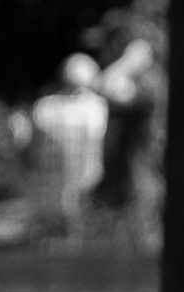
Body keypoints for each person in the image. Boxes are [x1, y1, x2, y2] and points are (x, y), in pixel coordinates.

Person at [95, 36, 166, 249]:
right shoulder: (149, 82)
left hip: (142, 178)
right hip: (137, 175)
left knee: (142, 243)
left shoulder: (150, 84)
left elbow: (102, 85)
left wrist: (126, 63)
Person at [28, 53, 108, 242]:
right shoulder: (96, 107)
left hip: (50, 186)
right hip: (86, 183)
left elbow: (33, 150)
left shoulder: (44, 108)